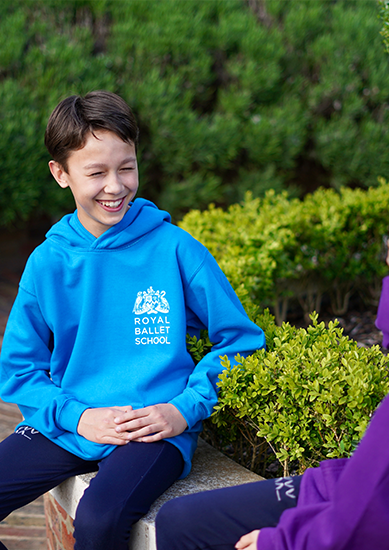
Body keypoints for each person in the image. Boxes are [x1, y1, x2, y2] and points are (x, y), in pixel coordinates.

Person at [155, 139, 389, 550]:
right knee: (180, 518)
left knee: (182, 527)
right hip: (377, 497)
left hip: (369, 517)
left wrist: (282, 543)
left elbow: (372, 521)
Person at [0, 90, 265, 550]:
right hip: (71, 422)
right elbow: (18, 369)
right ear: (60, 174)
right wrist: (79, 417)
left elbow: (240, 340)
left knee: (100, 520)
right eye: (96, 172)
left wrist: (183, 408)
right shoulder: (47, 262)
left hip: (151, 428)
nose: (116, 186)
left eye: (127, 167)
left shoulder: (175, 248)